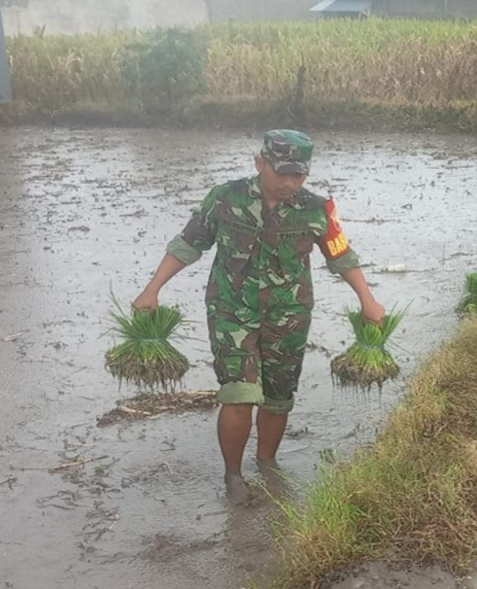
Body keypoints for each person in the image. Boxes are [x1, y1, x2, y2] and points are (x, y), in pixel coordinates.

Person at [132, 129, 385, 499]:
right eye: (281, 172)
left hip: (290, 315)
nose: (289, 183)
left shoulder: (316, 208)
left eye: (298, 175)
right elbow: (189, 244)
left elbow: (340, 254)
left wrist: (368, 299)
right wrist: (152, 289)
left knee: (279, 395)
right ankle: (233, 476)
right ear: (259, 163)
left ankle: (267, 463)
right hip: (231, 311)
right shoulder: (225, 198)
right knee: (239, 391)